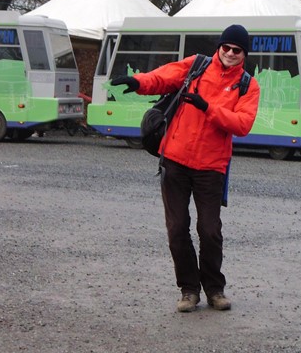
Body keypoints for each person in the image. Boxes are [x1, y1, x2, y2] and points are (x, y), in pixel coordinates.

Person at [111, 24, 260, 312]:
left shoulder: (247, 84)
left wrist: (208, 108)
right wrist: (138, 82)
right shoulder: (197, 65)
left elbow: (243, 124)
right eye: (226, 47)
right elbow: (163, 78)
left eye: (236, 50)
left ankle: (215, 290)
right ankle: (189, 290)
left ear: (244, 54)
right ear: (219, 47)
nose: (230, 53)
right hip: (175, 160)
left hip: (211, 166)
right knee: (177, 228)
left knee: (210, 230)